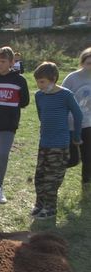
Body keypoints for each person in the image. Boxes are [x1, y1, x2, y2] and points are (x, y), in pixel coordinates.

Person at [32, 62, 83, 219]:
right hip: (44, 143)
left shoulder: (66, 95)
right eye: (37, 82)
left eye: (43, 82)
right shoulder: (39, 96)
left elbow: (78, 115)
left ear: (53, 79)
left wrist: (76, 136)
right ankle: (39, 204)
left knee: (52, 178)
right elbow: (42, 115)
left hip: (60, 144)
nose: (39, 85)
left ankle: (50, 208)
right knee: (39, 176)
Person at [0, 46, 29, 203]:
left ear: (11, 62)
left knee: (2, 155)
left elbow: (24, 101)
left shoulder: (19, 80)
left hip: (9, 124)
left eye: (3, 61)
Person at [62, 47, 91, 188]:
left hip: (89, 124)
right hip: (71, 124)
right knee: (73, 159)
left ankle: (86, 183)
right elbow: (61, 99)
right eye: (89, 63)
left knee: (88, 157)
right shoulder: (72, 78)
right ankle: (54, 171)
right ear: (82, 62)